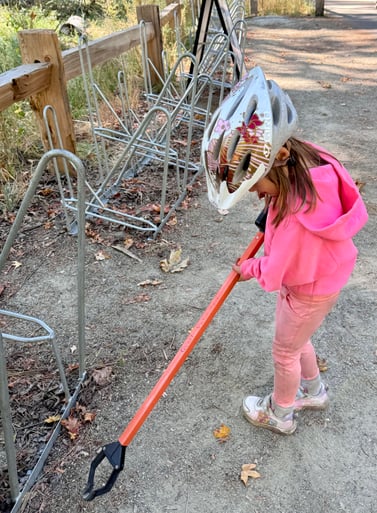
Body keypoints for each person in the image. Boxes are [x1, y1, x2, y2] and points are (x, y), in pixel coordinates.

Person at [201, 66, 368, 435]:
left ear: (281, 157)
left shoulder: (293, 218)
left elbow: (274, 272)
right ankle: (313, 391)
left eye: (255, 184)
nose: (256, 194)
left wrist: (248, 269)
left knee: (284, 351)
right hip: (321, 280)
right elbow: (279, 208)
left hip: (307, 291)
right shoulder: (312, 167)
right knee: (299, 340)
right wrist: (271, 210)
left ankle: (281, 413)